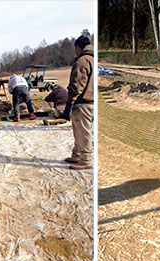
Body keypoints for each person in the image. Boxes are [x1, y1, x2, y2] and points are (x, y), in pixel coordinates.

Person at [65, 30, 94, 170]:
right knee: (78, 131)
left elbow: (77, 84)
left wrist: (70, 100)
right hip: (88, 101)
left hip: (83, 102)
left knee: (84, 132)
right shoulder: (92, 58)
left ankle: (86, 159)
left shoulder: (83, 60)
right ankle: (77, 155)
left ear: (78, 47)